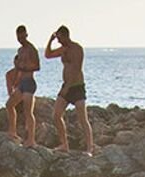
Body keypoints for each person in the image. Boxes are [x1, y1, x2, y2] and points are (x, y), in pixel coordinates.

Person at [43, 25, 96, 154]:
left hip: (77, 86)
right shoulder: (63, 49)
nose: (59, 41)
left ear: (66, 35)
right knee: (56, 115)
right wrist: (50, 40)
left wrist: (67, 88)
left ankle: (89, 148)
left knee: (82, 118)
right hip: (66, 86)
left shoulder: (76, 48)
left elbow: (77, 68)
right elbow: (48, 55)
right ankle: (64, 144)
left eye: (60, 38)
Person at [6, 25, 40, 146]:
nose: (20, 38)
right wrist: (13, 83)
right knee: (9, 105)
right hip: (21, 84)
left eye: (22, 35)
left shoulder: (32, 49)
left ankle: (31, 139)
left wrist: (25, 67)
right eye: (18, 36)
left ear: (26, 34)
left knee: (28, 111)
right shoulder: (20, 50)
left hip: (29, 83)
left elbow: (37, 66)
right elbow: (16, 69)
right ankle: (12, 132)